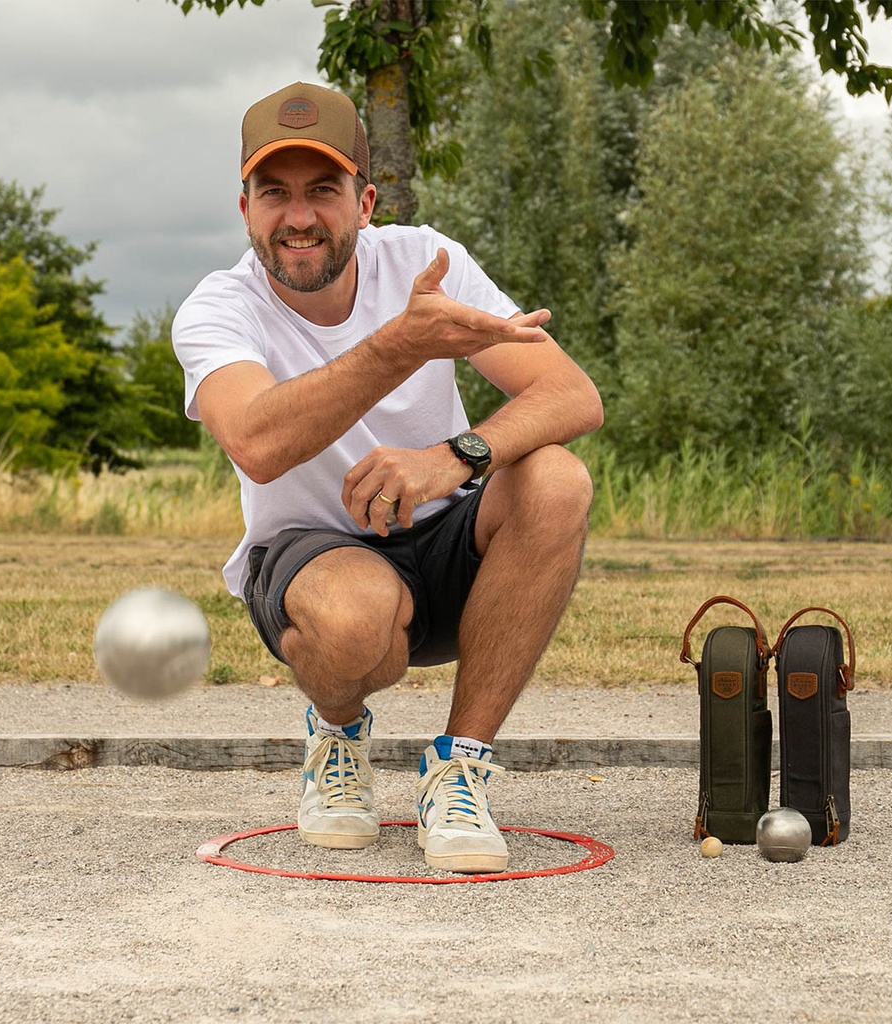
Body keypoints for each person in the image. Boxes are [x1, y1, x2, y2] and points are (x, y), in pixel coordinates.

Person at [172, 82, 603, 874]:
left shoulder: (424, 262)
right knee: (355, 619)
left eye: (323, 191)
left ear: (365, 202)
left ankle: (460, 769)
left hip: (446, 540)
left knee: (557, 480)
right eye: (275, 193)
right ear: (245, 211)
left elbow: (573, 394)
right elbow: (258, 443)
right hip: (315, 559)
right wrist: (402, 345)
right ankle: (336, 738)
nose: (299, 216)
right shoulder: (216, 309)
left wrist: (453, 458)